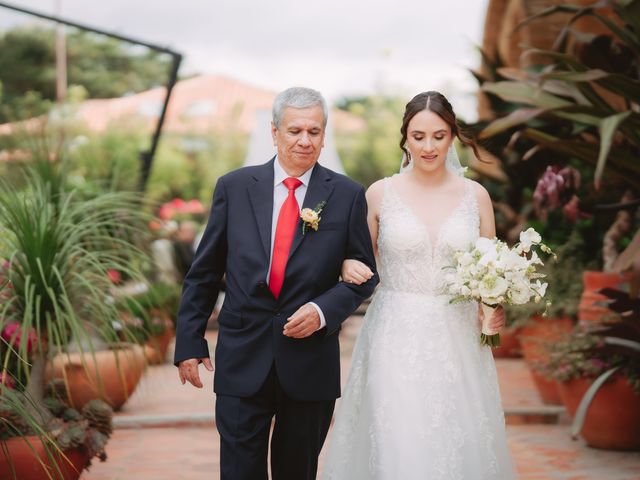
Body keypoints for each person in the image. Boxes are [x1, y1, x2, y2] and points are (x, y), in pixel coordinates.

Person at [173, 87, 379, 480]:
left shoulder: (348, 195)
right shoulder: (233, 187)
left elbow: (364, 277)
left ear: (324, 134)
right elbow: (204, 272)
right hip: (241, 355)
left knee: (297, 472)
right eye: (295, 130)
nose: (305, 140)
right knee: (238, 472)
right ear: (274, 132)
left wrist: (322, 312)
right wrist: (189, 341)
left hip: (309, 364)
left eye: (315, 132)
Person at [322, 91, 516, 479]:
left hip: (457, 335)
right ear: (405, 137)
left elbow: (492, 268)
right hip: (395, 330)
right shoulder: (379, 194)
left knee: (456, 432)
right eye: (419, 136)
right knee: (399, 435)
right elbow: (357, 257)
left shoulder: (476, 196)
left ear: (453, 137)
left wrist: (495, 306)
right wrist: (345, 263)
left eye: (439, 136)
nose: (429, 146)